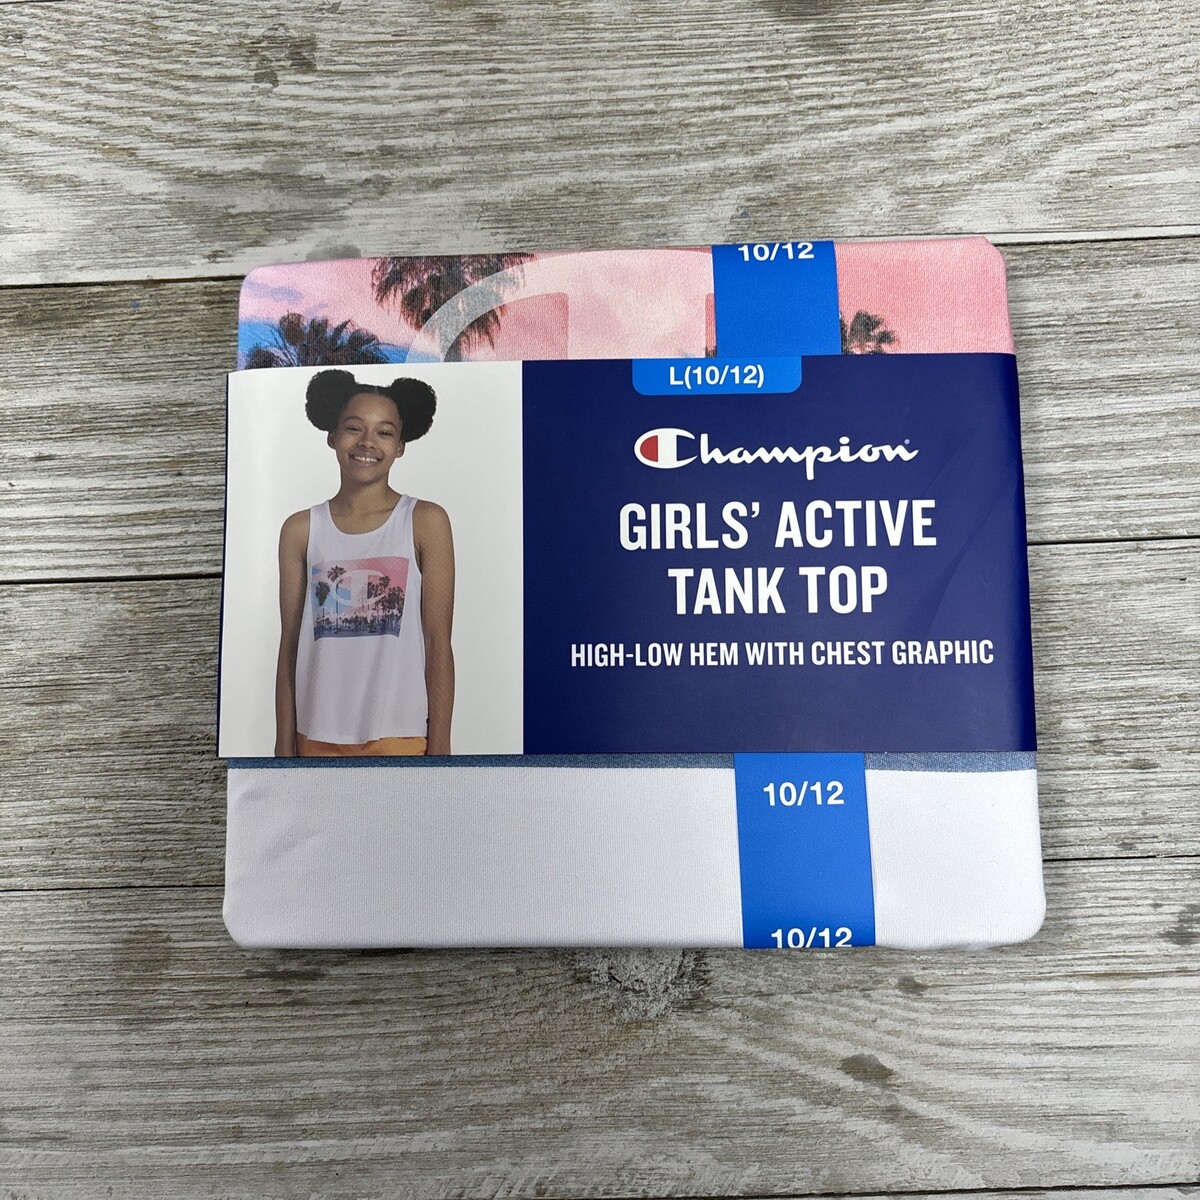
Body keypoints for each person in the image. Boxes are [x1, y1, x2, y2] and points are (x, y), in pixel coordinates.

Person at [274, 369, 454, 756]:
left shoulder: (425, 521)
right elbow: (290, 646)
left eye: (384, 432)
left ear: (401, 445)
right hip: (315, 737)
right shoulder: (301, 530)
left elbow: (438, 643)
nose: (367, 442)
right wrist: (283, 748)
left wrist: (441, 751)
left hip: (401, 737)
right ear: (332, 436)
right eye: (354, 428)